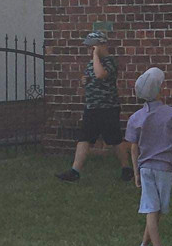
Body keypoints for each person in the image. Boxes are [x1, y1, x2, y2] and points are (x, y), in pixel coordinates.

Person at [126, 68, 172, 246]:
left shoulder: (135, 118)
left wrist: (136, 171)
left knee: (152, 207)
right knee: (155, 208)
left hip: (145, 167)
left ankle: (145, 244)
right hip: (165, 166)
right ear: (160, 90)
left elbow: (133, 148)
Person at [55, 31, 133, 182]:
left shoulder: (110, 61)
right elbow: (91, 76)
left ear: (100, 45)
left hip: (107, 107)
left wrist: (96, 55)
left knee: (115, 139)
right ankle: (74, 171)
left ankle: (126, 169)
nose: (89, 50)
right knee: (84, 138)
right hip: (92, 107)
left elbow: (100, 74)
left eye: (92, 47)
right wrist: (84, 80)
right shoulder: (92, 62)